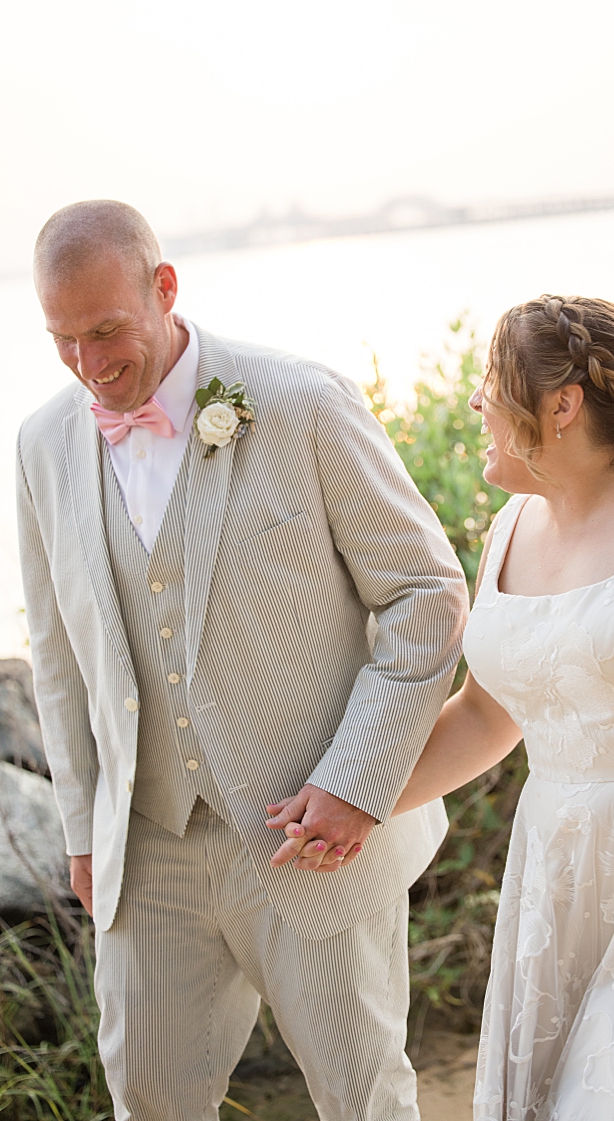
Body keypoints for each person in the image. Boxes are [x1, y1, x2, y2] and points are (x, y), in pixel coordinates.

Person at [17, 200, 469, 1117]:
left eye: (106, 331)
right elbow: (58, 657)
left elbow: (428, 595)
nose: (89, 365)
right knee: (146, 1099)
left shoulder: (303, 402)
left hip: (313, 842)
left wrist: (357, 781)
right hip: (145, 851)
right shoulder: (40, 444)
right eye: (62, 340)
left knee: (362, 1095)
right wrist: (80, 827)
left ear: (165, 288)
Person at [270, 295, 614, 1118]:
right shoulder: (508, 527)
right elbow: (490, 716)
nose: (474, 402)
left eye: (491, 382)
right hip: (561, 878)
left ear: (562, 405)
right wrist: (359, 804)